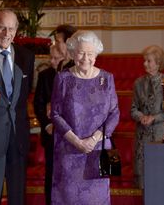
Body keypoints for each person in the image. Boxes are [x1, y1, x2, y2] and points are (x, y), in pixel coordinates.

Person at [50, 30, 120, 204]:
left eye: (90, 54)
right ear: (73, 53)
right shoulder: (63, 78)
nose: (85, 58)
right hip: (69, 151)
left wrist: (94, 139)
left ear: (96, 55)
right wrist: (77, 142)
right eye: (81, 53)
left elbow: (114, 113)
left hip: (98, 151)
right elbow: (55, 114)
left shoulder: (107, 78)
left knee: (97, 199)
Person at [0, 9, 35, 205]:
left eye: (11, 29)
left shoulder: (26, 57)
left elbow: (25, 95)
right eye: (2, 28)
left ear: (16, 30)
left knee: (17, 197)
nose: (6, 33)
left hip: (18, 136)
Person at [130, 45, 164, 189]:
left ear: (158, 63)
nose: (144, 64)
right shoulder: (138, 83)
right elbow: (133, 109)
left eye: (149, 61)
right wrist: (141, 117)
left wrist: (154, 118)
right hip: (142, 137)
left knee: (161, 179)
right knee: (144, 182)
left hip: (160, 136)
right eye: (144, 60)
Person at [33, 44, 64, 205]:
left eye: (56, 58)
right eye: (50, 58)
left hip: (69, 136)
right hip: (51, 134)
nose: (52, 62)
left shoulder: (72, 74)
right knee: (51, 176)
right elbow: (38, 104)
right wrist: (47, 125)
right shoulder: (45, 76)